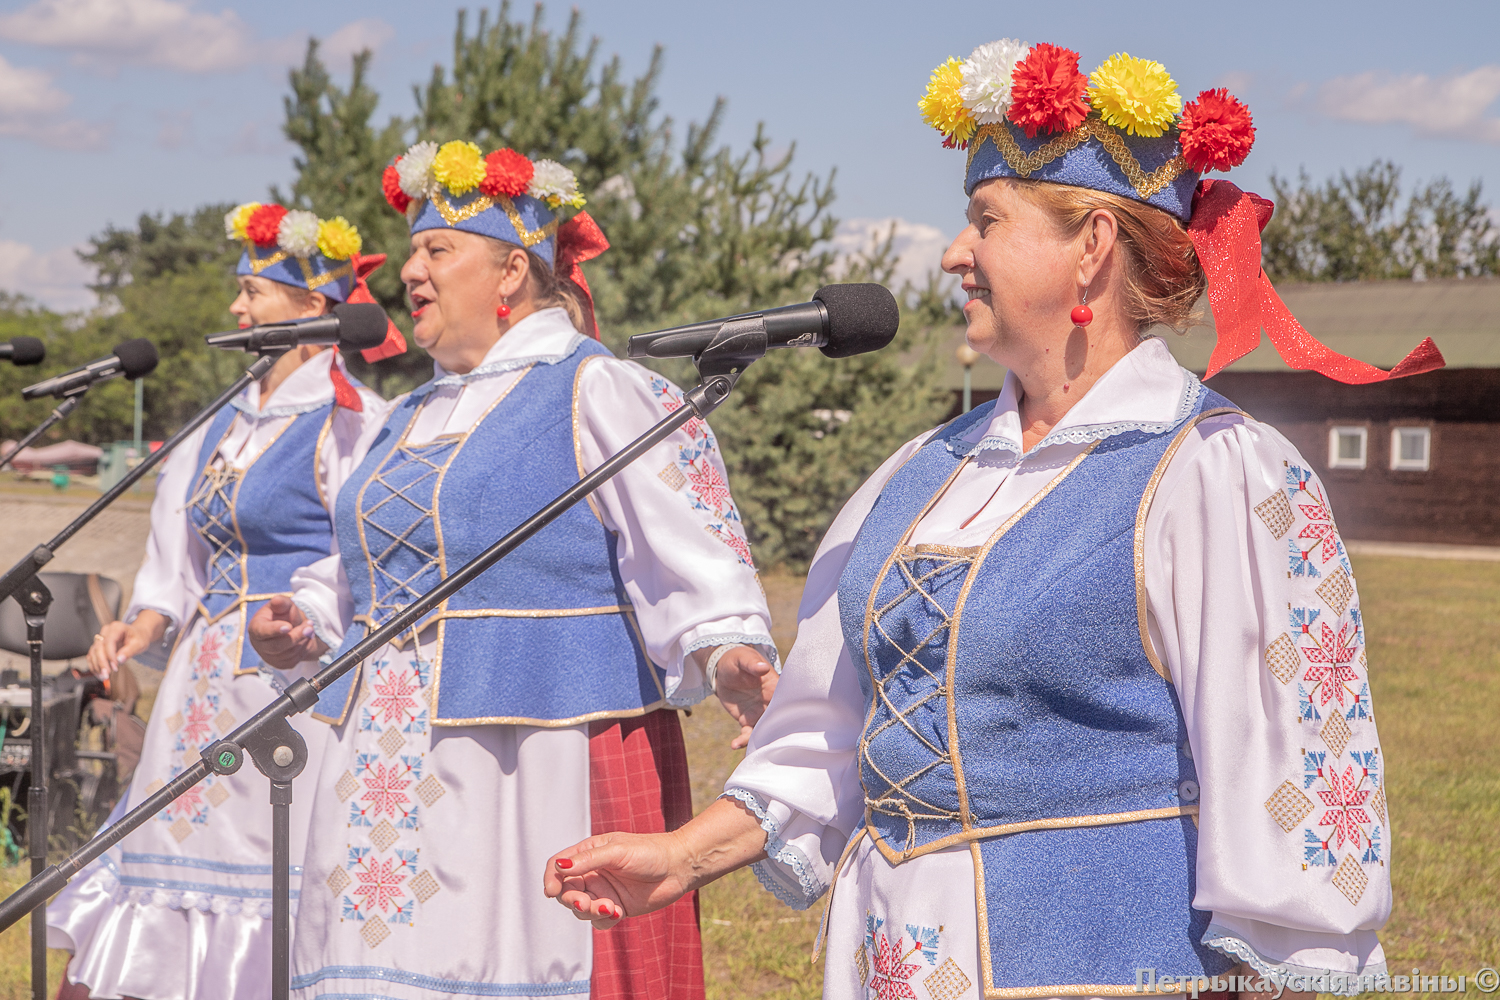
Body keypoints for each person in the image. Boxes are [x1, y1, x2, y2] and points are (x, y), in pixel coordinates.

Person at [544, 40, 1446, 999]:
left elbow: (1293, 790)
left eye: (985, 220)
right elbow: (826, 728)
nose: (953, 252)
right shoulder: (921, 474)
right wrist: (679, 860)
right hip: (897, 962)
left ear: (1091, 245)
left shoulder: (1212, 473)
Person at [246, 140, 778, 1000]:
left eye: (436, 250)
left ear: (510, 275)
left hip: (541, 753)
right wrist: (301, 614)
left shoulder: (598, 390)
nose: (410, 270)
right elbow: (361, 569)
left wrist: (727, 648)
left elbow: (691, 544)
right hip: (386, 760)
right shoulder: (405, 416)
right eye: (412, 250)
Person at [47, 201, 401, 1000]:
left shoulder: (352, 427)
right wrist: (143, 622)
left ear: (312, 309)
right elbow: (176, 558)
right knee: (167, 850)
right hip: (201, 678)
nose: (236, 309)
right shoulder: (220, 424)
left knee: (261, 857)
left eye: (253, 292)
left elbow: (364, 562)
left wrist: (309, 622)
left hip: (288, 681)